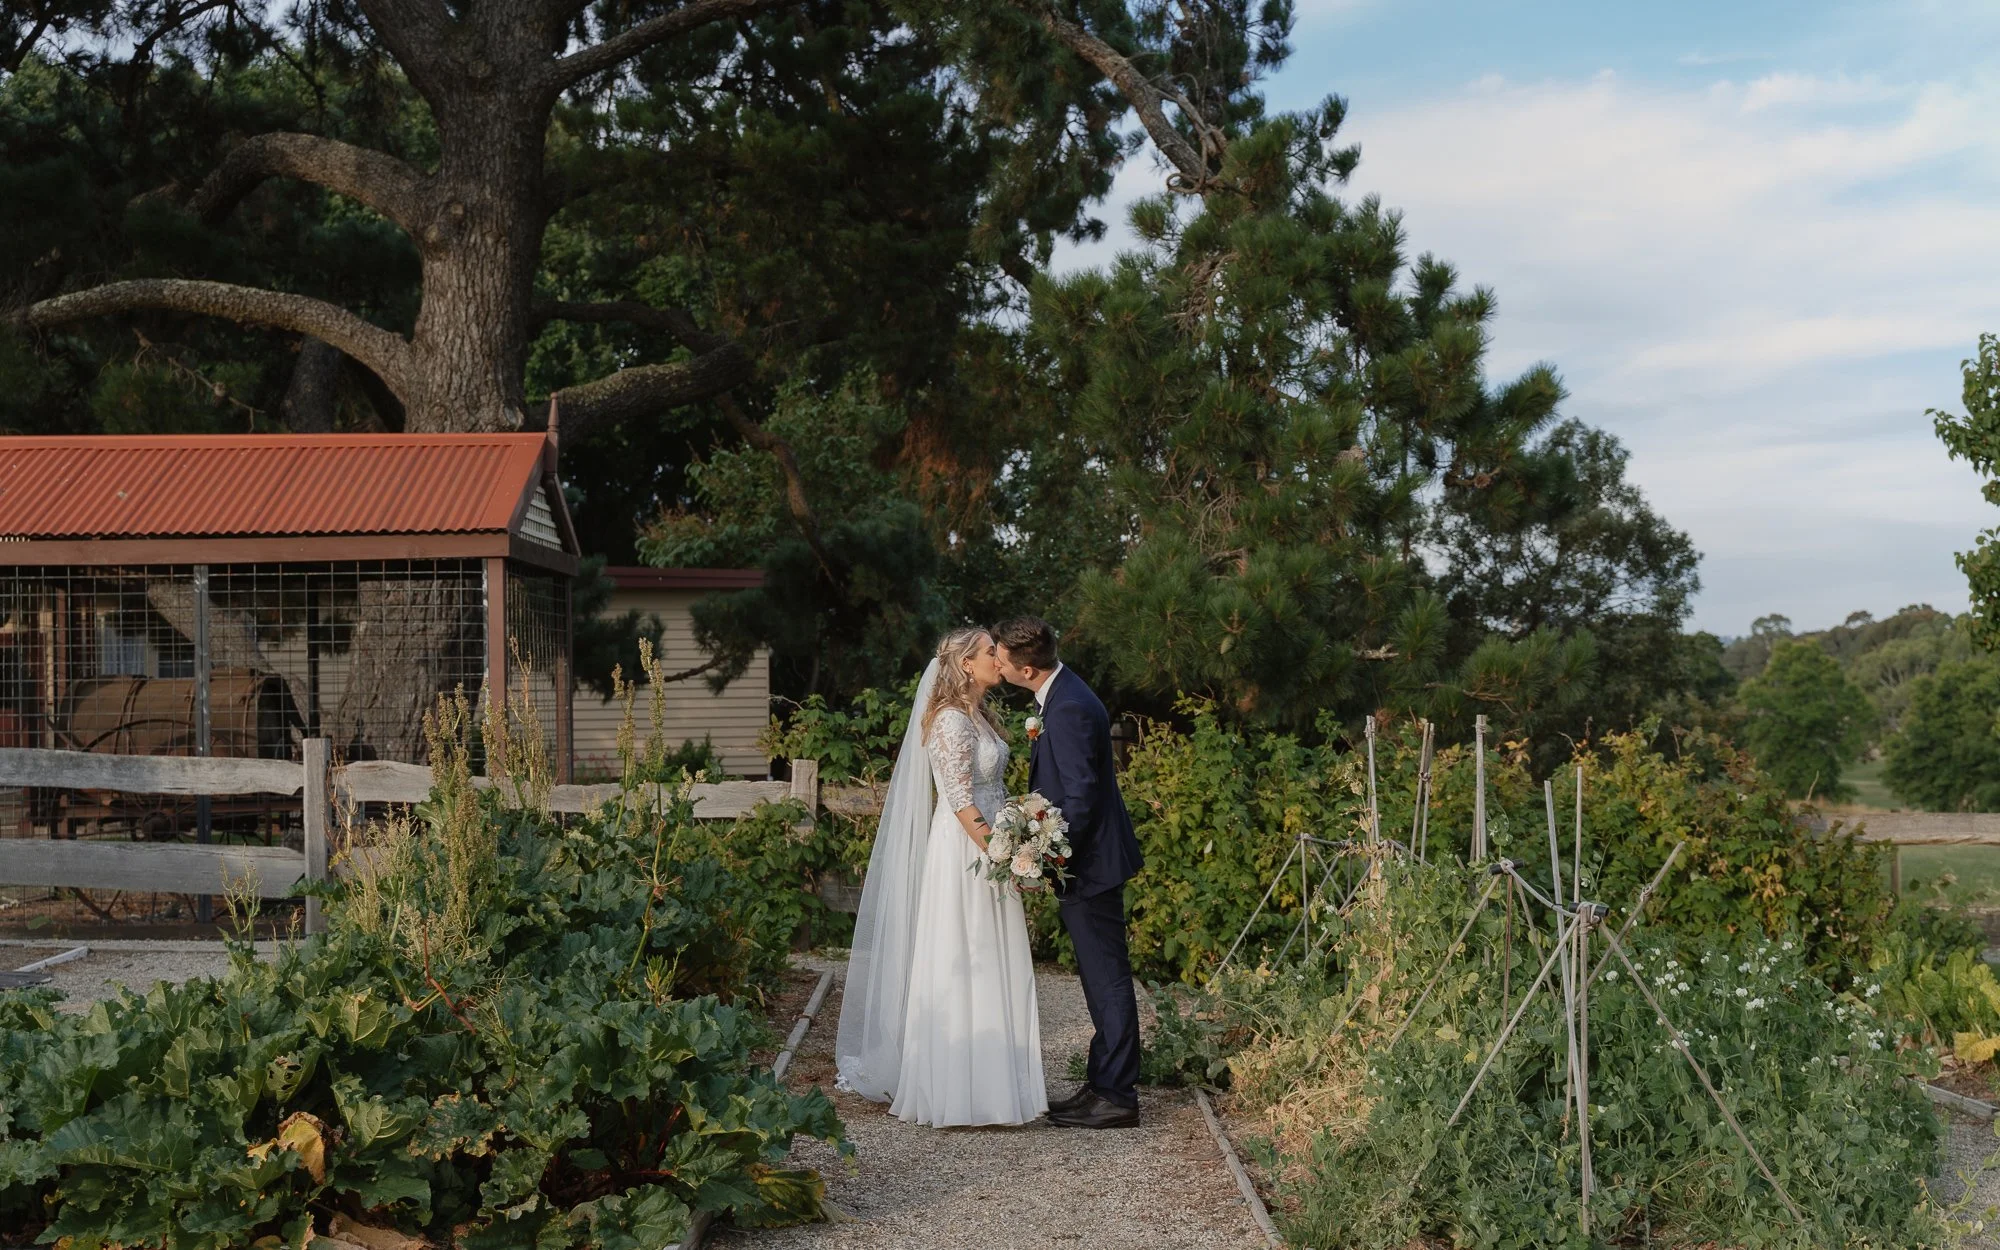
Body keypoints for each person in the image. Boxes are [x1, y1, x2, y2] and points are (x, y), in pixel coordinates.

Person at [833, 627, 1047, 1126]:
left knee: (993, 956)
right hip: (967, 851)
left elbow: (991, 789)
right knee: (965, 955)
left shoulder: (982, 716)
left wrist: (1020, 834)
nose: (1002, 657)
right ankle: (957, 1090)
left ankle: (995, 1087)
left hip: (992, 842)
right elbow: (958, 798)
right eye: (992, 651)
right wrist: (1003, 853)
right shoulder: (951, 720)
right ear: (967, 665)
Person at [994, 616, 1144, 1129]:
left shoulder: (1072, 707)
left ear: (1027, 668)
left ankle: (1118, 1095)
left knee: (1108, 981)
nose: (996, 662)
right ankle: (1103, 1082)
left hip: (1091, 864)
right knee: (1098, 979)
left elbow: (1079, 797)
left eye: (1001, 657)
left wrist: (1044, 855)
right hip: (1087, 862)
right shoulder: (1062, 694)